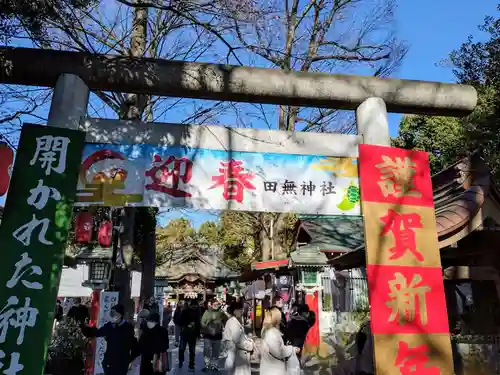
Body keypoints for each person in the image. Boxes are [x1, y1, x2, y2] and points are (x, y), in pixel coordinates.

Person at [81, 304, 139, 375]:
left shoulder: (128, 328)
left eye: (114, 313)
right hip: (109, 362)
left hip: (121, 363)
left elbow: (134, 346)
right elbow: (97, 333)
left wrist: (128, 359)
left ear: (120, 314)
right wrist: (85, 328)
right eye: (111, 313)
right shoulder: (109, 326)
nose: (112, 315)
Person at [260, 307, 299, 375]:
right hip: (274, 370)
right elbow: (279, 352)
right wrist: (292, 349)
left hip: (269, 368)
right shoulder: (272, 333)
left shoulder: (267, 330)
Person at [222, 300, 254, 375]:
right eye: (240, 309)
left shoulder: (234, 321)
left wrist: (248, 339)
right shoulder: (233, 322)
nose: (242, 311)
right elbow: (237, 340)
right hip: (236, 355)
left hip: (235, 354)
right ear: (235, 311)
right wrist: (250, 346)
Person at [201, 299, 227, 372]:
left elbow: (226, 320)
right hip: (208, 335)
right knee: (206, 350)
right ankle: (207, 365)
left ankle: (214, 365)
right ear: (211, 305)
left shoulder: (221, 313)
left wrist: (223, 326)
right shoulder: (207, 312)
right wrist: (207, 327)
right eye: (214, 304)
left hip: (217, 335)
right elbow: (202, 322)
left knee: (216, 351)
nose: (216, 306)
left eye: (217, 304)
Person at [179, 299, 201, 372]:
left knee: (192, 351)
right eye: (193, 305)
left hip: (192, 334)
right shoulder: (185, 311)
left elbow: (198, 324)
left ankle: (191, 364)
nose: (194, 307)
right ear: (190, 305)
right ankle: (181, 360)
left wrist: (198, 334)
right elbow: (180, 322)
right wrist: (187, 324)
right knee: (182, 348)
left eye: (195, 306)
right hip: (185, 333)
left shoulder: (198, 312)